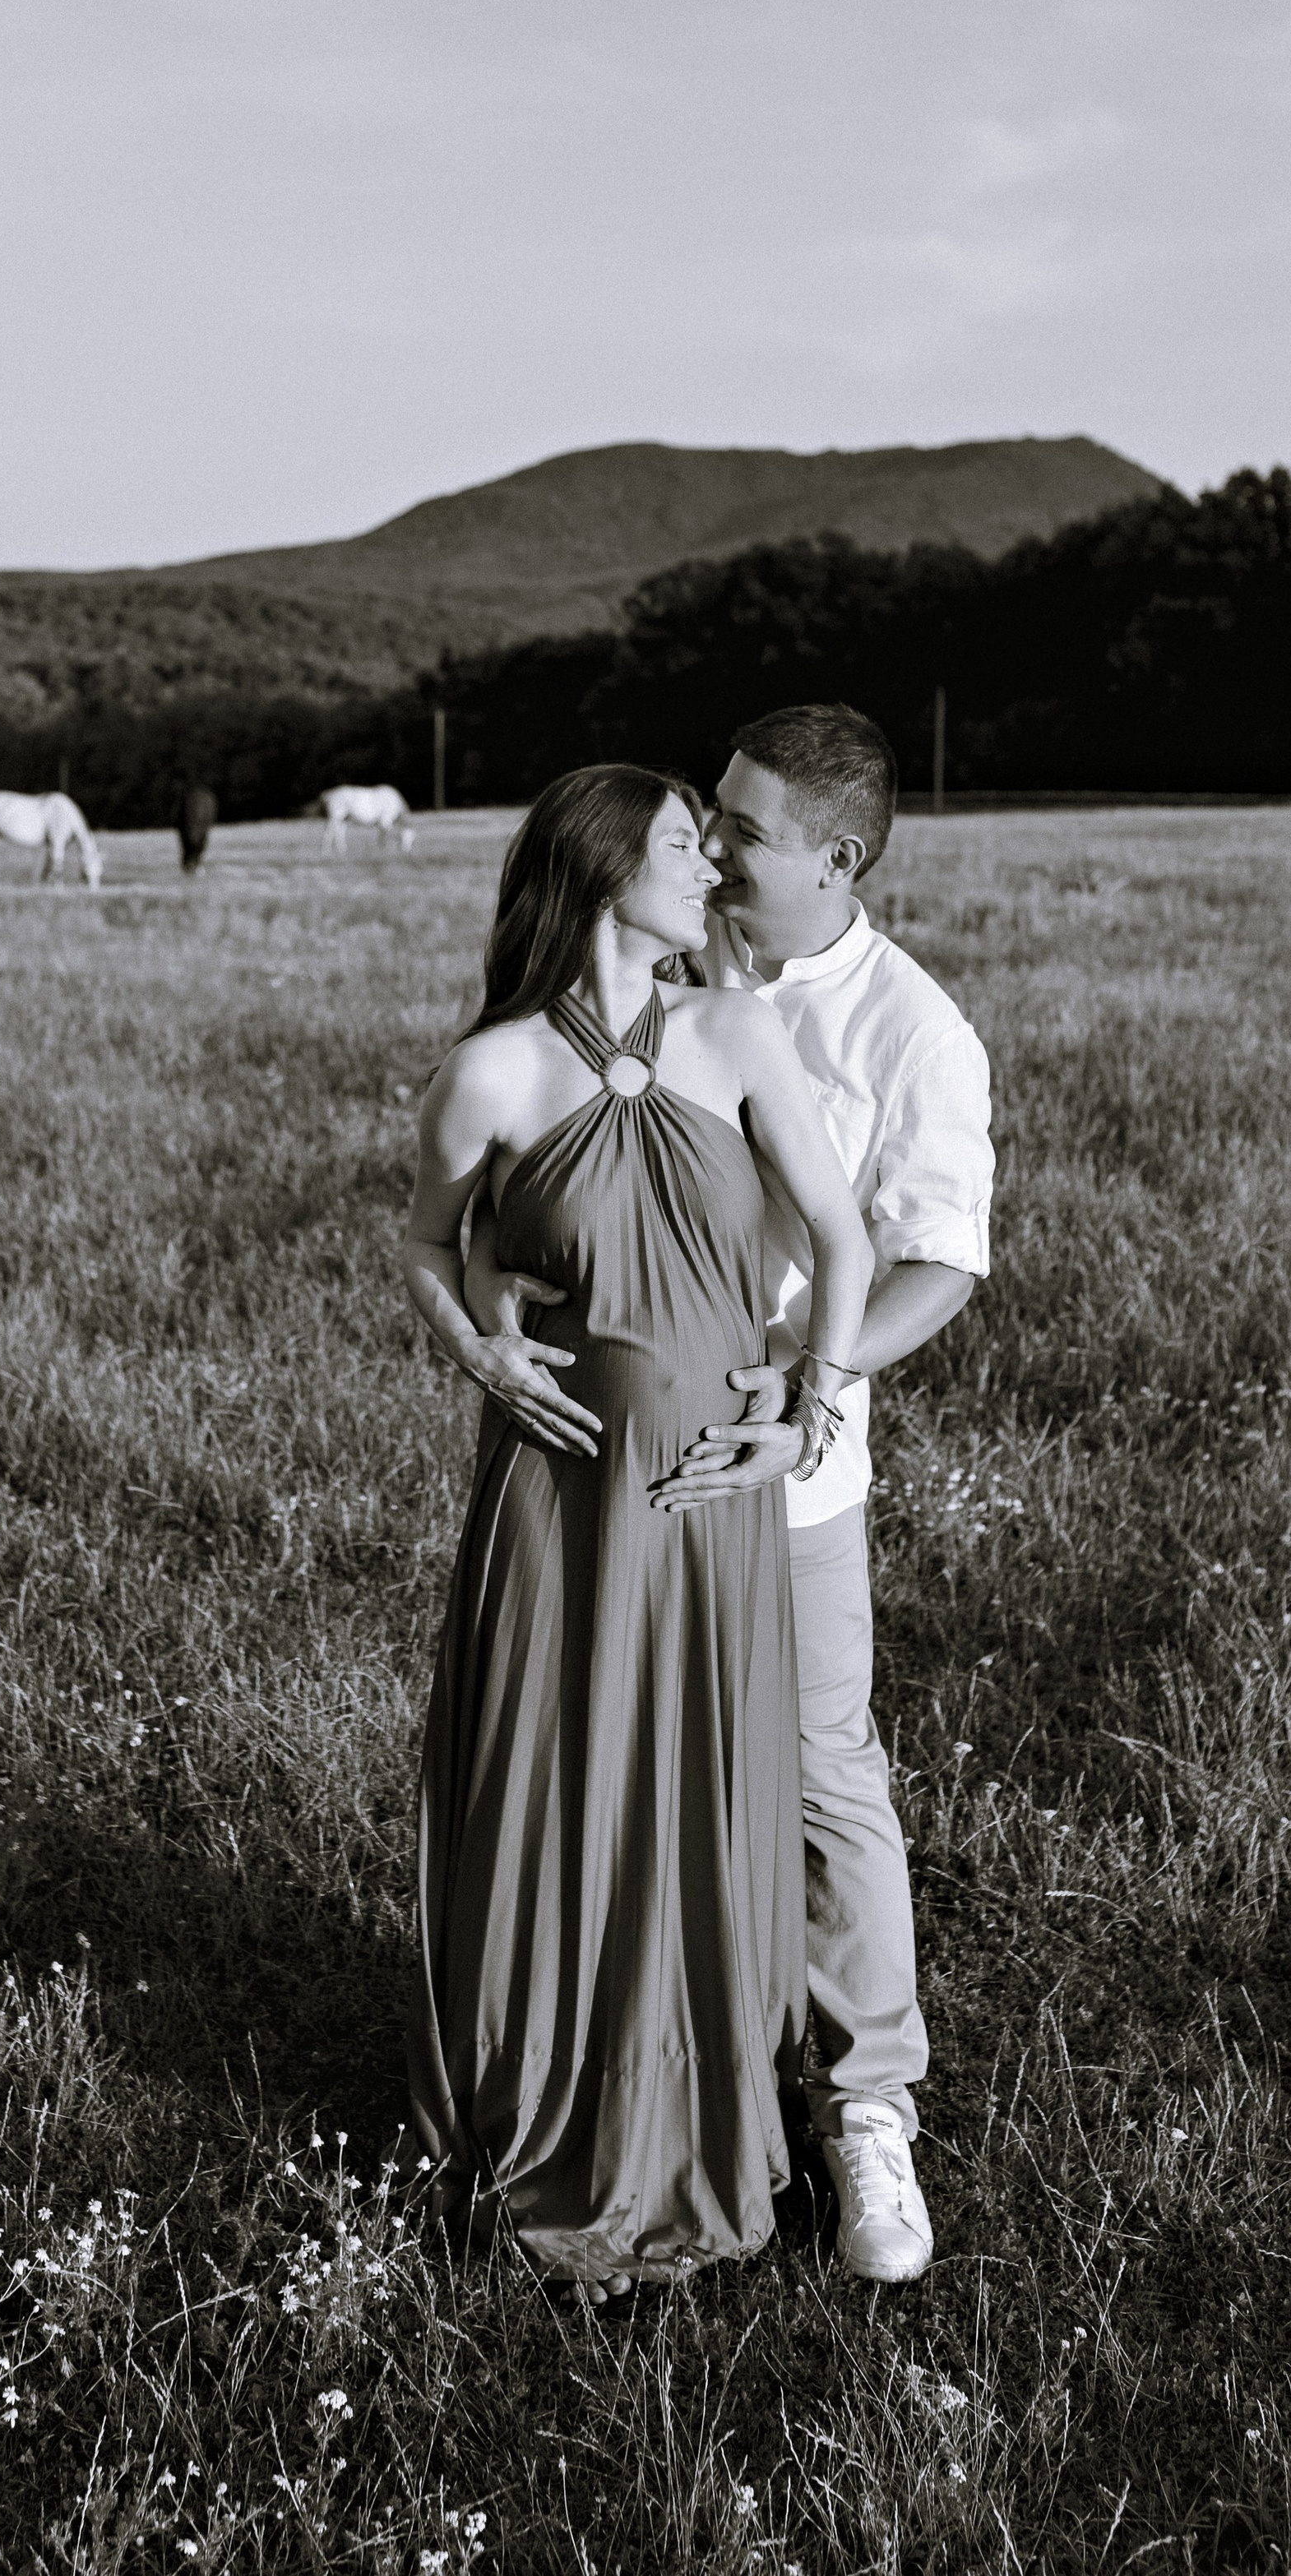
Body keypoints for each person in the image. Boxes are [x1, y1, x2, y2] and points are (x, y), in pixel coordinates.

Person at [466, 705, 992, 2284]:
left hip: (791, 1469)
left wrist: (812, 1388)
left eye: (742, 834)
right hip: (619, 1466)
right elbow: (528, 1164)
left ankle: (868, 2106)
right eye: (706, 821)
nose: (711, 849)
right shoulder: (669, 967)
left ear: (838, 859)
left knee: (823, 1775)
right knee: (622, 1757)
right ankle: (640, 2064)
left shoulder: (913, 1032)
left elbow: (935, 1262)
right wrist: (494, 1292)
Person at [400, 764, 874, 2298]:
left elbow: (843, 1234)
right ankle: (540, 2118)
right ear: (606, 869)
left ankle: (691, 2122)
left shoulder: (738, 1034)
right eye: (683, 844)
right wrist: (480, 1348)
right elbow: (426, 1241)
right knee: (551, 1783)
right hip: (556, 1493)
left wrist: (810, 1406)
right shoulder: (489, 1072)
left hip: (713, 1503)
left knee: (697, 1790)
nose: (711, 868)